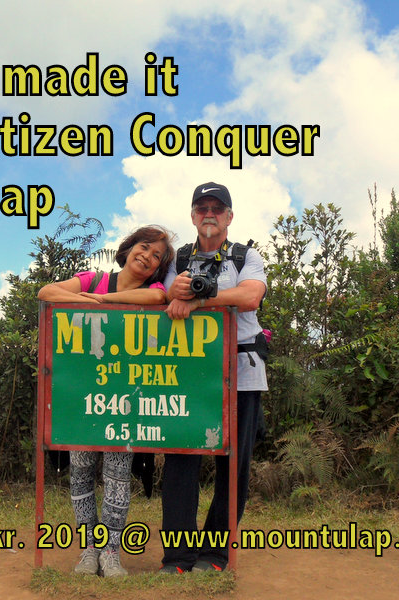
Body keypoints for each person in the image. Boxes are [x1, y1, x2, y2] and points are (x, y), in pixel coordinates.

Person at [37, 225, 174, 577]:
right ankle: (88, 551)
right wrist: (93, 297)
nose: (147, 256)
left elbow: (159, 300)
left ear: (158, 267)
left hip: (125, 402)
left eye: (157, 256)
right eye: (144, 247)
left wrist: (103, 302)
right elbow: (47, 291)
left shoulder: (153, 290)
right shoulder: (93, 279)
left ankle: (111, 553)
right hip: (82, 398)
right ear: (128, 249)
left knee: (117, 477)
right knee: (80, 474)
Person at [160, 182, 267, 573]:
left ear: (229, 217)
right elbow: (166, 294)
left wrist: (200, 299)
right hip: (187, 375)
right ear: (192, 216)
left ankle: (215, 554)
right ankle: (178, 556)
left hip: (241, 371)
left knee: (233, 467)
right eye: (201, 207)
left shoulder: (245, 255)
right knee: (179, 462)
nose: (209, 214)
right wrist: (179, 289)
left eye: (217, 208)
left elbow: (250, 297)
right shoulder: (180, 258)